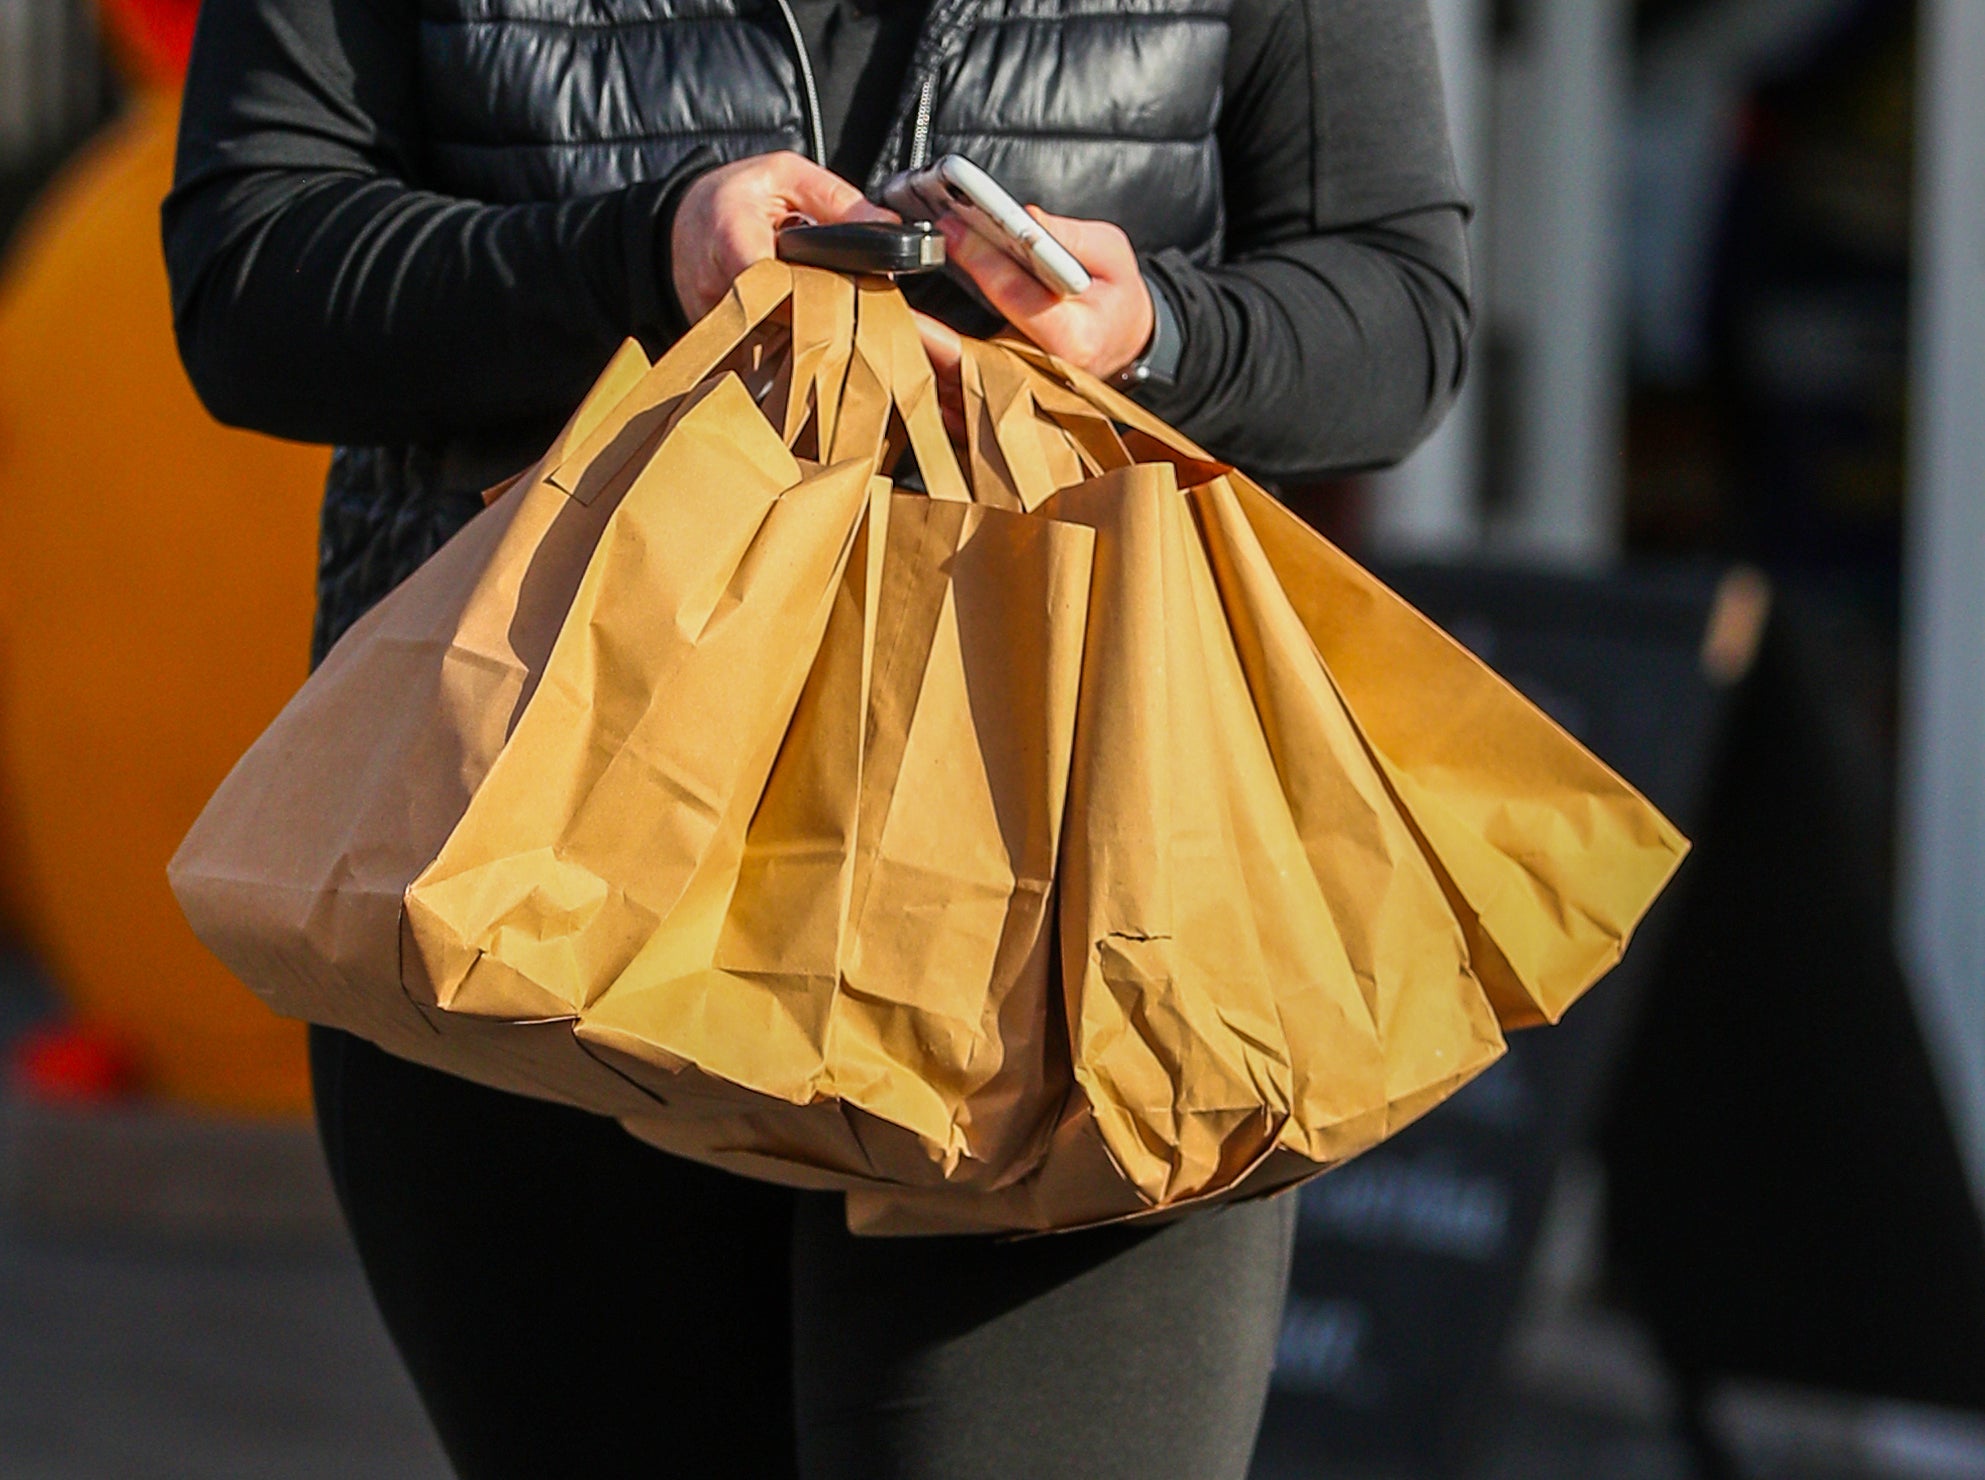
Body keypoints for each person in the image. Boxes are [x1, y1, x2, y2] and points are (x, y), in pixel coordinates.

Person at [164, 1, 1470, 1475]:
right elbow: (249, 278)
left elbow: (1396, 313)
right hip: (522, 841)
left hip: (1076, 861)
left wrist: (1149, 328)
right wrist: (642, 255)